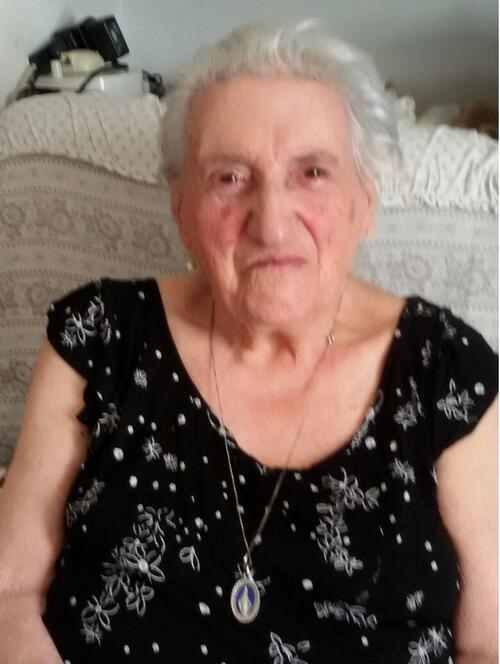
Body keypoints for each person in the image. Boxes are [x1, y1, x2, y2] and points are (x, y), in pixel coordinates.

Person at [0, 20, 497, 664]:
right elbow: (9, 590)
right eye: (229, 177)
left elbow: (488, 642)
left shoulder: (443, 371)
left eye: (312, 172)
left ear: (366, 201)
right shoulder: (100, 337)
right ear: (181, 208)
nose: (272, 223)